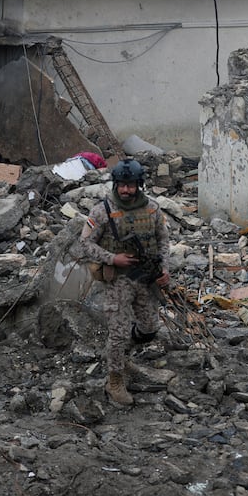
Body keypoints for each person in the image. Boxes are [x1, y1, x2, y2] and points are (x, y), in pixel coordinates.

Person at [78, 158, 170, 405]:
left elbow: (163, 240)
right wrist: (112, 258)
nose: (126, 190)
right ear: (115, 184)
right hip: (118, 280)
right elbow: (85, 243)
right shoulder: (102, 211)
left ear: (139, 184)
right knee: (118, 333)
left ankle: (121, 356)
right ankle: (115, 380)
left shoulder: (152, 209)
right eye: (122, 185)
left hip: (146, 278)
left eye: (131, 185)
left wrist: (164, 269)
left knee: (150, 328)